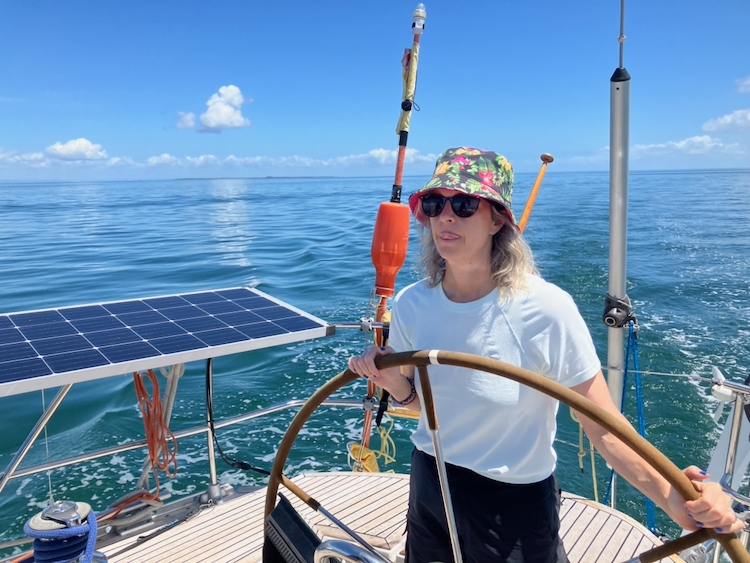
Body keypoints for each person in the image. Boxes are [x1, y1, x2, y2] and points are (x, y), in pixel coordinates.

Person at [348, 147, 742, 563]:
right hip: (429, 480)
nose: (445, 215)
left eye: (464, 204)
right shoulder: (412, 305)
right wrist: (399, 389)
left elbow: (603, 426)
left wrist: (675, 499)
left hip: (512, 504)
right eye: (433, 203)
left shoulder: (545, 309)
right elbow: (427, 409)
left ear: (497, 218)